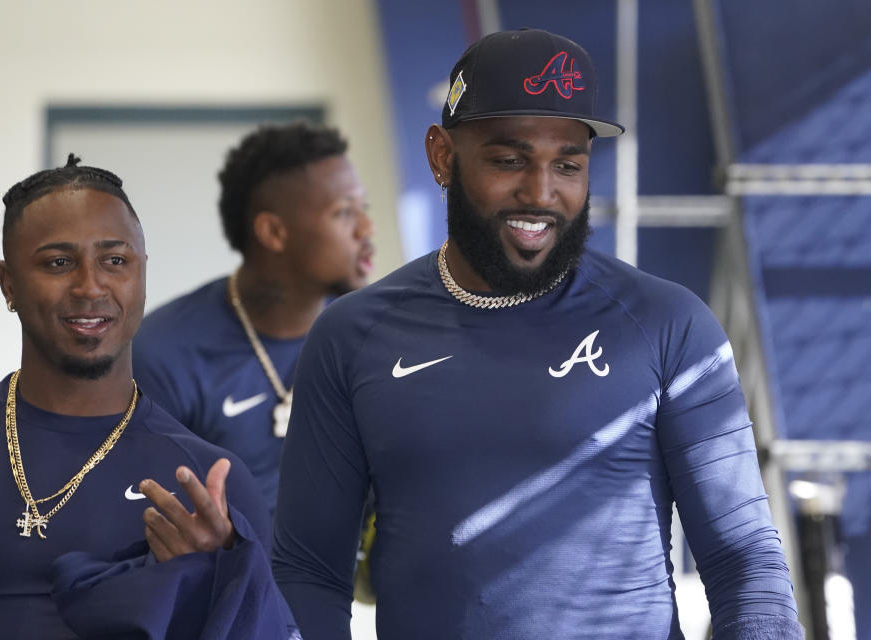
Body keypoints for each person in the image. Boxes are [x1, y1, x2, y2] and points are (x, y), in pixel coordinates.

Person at [271, 29, 804, 639]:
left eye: (568, 165)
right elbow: (308, 568)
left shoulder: (666, 325)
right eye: (509, 160)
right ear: (442, 156)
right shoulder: (352, 335)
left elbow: (745, 559)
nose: (541, 192)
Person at [0, 156, 297, 639]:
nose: (90, 285)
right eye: (58, 263)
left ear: (141, 274)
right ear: (8, 283)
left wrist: (220, 580)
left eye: (115, 261)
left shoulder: (209, 486)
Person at [132, 122, 375, 512]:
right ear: (273, 232)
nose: (367, 228)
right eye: (344, 212)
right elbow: (145, 519)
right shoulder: (164, 354)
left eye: (364, 209)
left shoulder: (372, 334)